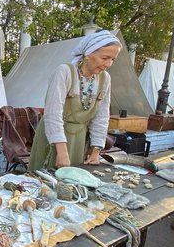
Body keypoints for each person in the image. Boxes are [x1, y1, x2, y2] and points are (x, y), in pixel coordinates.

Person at [28, 30, 122, 170]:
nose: (108, 64)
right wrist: (61, 150)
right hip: (53, 137)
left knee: (70, 181)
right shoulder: (64, 72)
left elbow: (101, 117)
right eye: (105, 58)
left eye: (113, 59)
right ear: (88, 54)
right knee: (44, 181)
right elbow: (53, 114)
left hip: (78, 138)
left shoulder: (105, 79)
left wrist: (96, 149)